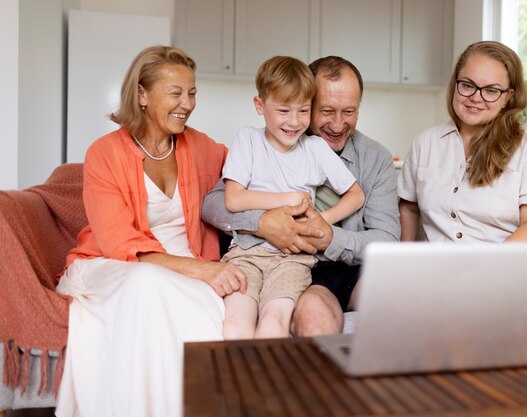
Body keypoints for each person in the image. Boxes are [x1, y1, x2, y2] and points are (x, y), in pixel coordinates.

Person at [55, 46, 246, 417]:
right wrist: (203, 270)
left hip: (184, 266)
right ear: (142, 95)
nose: (187, 104)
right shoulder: (104, 153)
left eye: (192, 93)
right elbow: (116, 241)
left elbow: (252, 165)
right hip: (112, 264)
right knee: (147, 283)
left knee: (198, 302)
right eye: (175, 93)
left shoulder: (202, 147)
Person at [203, 56, 400, 336]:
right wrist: (263, 223)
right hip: (301, 265)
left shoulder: (374, 157)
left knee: (399, 298)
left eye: (349, 112)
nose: (337, 124)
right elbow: (214, 204)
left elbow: (387, 240)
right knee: (309, 313)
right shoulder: (266, 141)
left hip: (346, 264)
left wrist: (327, 232)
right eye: (326, 111)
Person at [397, 41, 527, 331]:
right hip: (446, 279)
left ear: (508, 96)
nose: (475, 97)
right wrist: (404, 265)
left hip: (515, 275)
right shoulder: (425, 143)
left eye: (491, 90)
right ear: (455, 84)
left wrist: (480, 273)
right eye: (467, 85)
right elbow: (408, 206)